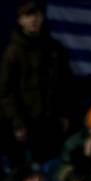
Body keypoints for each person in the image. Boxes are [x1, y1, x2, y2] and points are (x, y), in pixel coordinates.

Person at [0, 0, 73, 167]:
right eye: (27, 16)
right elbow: (5, 92)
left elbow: (65, 85)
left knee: (54, 168)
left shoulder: (54, 48)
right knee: (28, 172)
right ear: (20, 20)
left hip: (51, 122)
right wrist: (17, 123)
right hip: (25, 124)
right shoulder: (13, 53)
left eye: (36, 15)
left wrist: (64, 114)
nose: (33, 20)